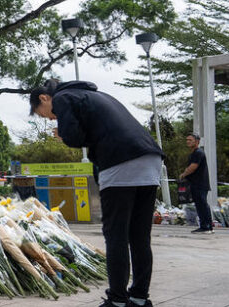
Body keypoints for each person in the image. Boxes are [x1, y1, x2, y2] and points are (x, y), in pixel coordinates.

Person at [30, 79, 164, 307]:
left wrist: (63, 135)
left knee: (116, 235)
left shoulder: (62, 97)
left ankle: (117, 300)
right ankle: (140, 298)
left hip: (121, 161)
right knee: (139, 236)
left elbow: (73, 136)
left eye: (44, 114)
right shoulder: (96, 95)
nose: (50, 119)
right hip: (149, 160)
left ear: (44, 98)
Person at [179, 133, 213, 234]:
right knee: (200, 205)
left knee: (202, 205)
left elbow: (193, 167)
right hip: (195, 184)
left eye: (190, 140)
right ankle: (206, 226)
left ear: (197, 141)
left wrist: (183, 174)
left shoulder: (198, 152)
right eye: (187, 140)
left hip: (200, 184)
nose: (188, 142)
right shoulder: (194, 153)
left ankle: (206, 227)